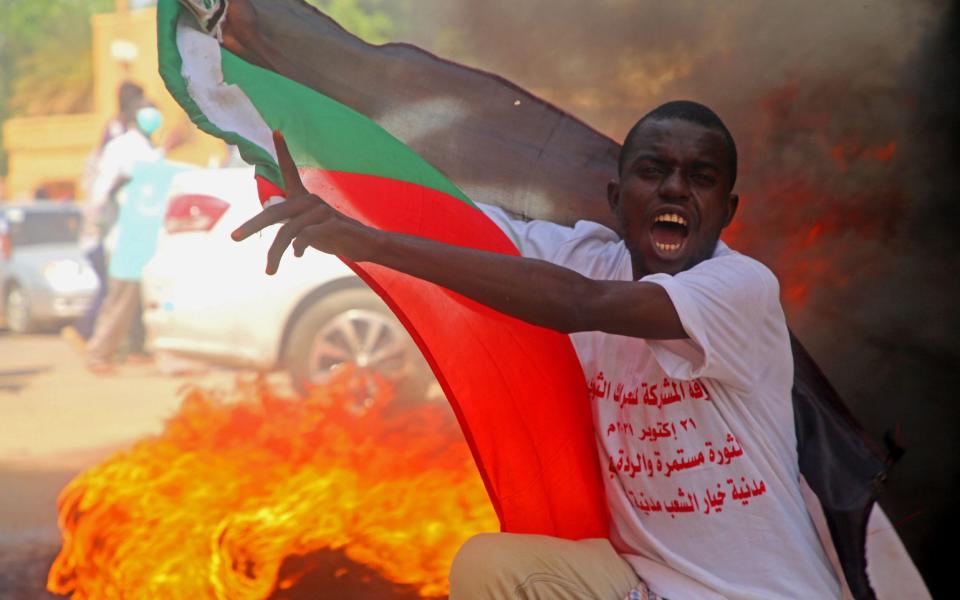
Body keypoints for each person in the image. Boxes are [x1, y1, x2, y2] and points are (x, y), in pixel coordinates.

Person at [231, 102, 843, 598]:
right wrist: (335, 204)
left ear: (727, 211)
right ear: (615, 198)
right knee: (491, 568)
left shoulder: (740, 288)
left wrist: (370, 244)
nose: (676, 190)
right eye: (653, 172)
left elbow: (578, 303)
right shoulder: (589, 257)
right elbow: (452, 226)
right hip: (645, 587)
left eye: (700, 178)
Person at [84, 103, 166, 374]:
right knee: (120, 300)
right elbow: (105, 191)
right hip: (124, 239)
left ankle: (135, 350)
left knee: (139, 300)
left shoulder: (144, 146)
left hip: (143, 236)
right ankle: (99, 353)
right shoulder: (124, 148)